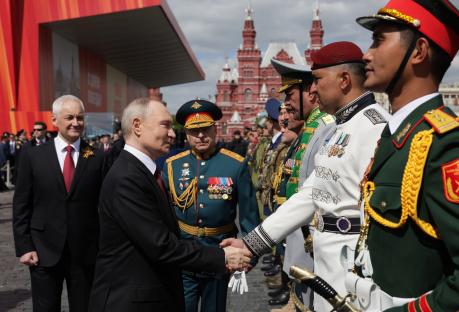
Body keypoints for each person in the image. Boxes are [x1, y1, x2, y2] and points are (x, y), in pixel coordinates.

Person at [222, 42, 390, 312]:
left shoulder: (375, 127)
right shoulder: (337, 127)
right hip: (325, 268)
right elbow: (310, 194)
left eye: (318, 80)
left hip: (354, 271)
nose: (312, 89)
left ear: (344, 80)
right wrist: (251, 244)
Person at [344, 1, 459, 311]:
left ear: (419, 52)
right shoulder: (395, 135)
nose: (366, 54)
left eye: (379, 40)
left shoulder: (443, 144)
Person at [89, 98, 251, 312]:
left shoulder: (142, 172)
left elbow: (248, 214)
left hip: (185, 265)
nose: (174, 134)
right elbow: (161, 245)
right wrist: (223, 256)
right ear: (137, 126)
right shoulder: (129, 177)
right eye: (165, 125)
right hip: (133, 297)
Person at [163, 99, 260, 312]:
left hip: (219, 253)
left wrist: (250, 254)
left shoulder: (235, 164)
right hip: (184, 254)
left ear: (215, 130)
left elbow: (248, 214)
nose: (200, 136)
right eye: (194, 131)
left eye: (206, 129)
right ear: (186, 134)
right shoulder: (172, 166)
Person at [13, 95, 106, 312]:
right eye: (69, 117)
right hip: (43, 251)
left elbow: (105, 205)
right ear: (54, 120)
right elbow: (21, 204)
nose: (76, 123)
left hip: (85, 253)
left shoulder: (97, 157)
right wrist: (24, 247)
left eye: (80, 118)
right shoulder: (33, 156)